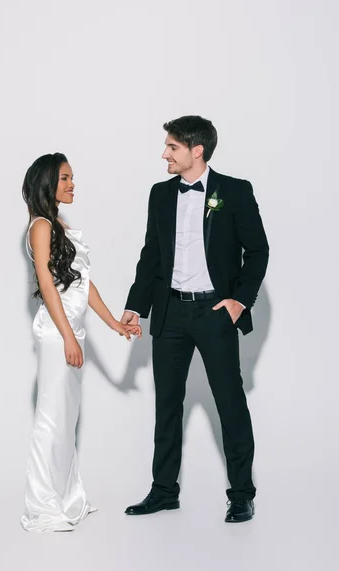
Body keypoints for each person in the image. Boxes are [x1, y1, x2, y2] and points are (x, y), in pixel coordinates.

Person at [121, 116, 269, 523]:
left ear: (196, 150)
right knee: (167, 404)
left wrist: (240, 301)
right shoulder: (159, 194)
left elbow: (258, 251)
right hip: (169, 313)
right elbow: (151, 255)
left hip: (214, 313)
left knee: (230, 403)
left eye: (172, 147)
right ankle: (164, 490)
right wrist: (136, 306)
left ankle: (241, 493)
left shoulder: (235, 192)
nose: (164, 153)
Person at [21, 153, 141, 532]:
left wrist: (114, 326)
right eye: (65, 178)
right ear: (47, 184)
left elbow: (84, 286)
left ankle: (67, 497)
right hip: (58, 334)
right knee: (50, 420)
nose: (72, 184)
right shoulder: (41, 226)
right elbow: (46, 284)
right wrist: (68, 338)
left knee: (67, 419)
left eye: (72, 178)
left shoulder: (60, 224)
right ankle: (41, 508)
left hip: (72, 331)